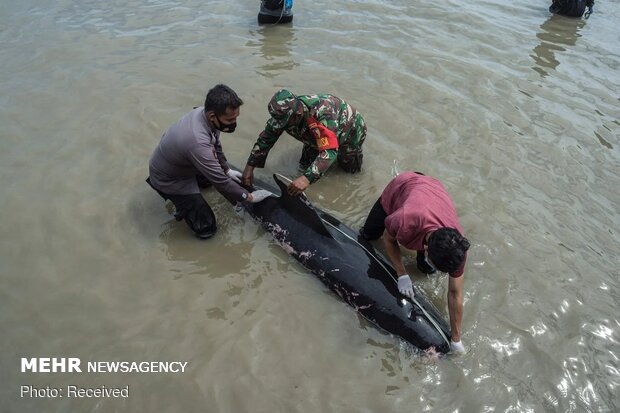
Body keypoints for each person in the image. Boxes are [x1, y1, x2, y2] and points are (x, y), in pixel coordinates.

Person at [359, 171, 470, 354]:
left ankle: (422, 261)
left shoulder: (457, 247)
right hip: (403, 187)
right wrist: (402, 273)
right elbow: (389, 240)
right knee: (368, 236)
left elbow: (455, 292)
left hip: (433, 191)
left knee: (424, 269)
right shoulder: (404, 218)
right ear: (426, 249)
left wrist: (456, 338)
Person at [147, 84, 272, 239]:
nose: (234, 122)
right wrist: (248, 197)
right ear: (213, 116)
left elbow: (215, 144)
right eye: (230, 119)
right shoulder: (197, 141)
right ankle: (183, 205)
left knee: (208, 182)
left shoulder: (205, 115)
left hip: (184, 162)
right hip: (170, 178)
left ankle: (199, 182)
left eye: (236, 117)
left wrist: (226, 169)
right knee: (207, 227)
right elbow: (220, 182)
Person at [241, 89, 367, 196]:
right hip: (312, 132)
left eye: (285, 124)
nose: (281, 126)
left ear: (298, 115)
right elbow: (267, 138)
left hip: (350, 131)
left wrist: (306, 179)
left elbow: (329, 151)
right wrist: (249, 167)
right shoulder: (284, 113)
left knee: (347, 171)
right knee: (305, 165)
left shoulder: (323, 114)